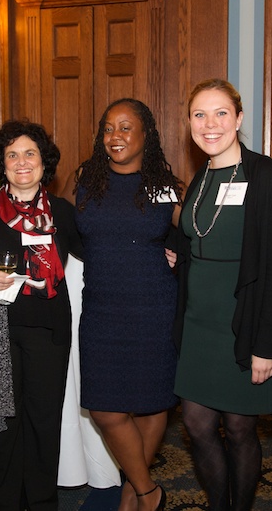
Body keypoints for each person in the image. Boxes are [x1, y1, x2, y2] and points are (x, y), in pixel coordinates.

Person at [173, 79, 272, 511]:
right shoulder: (200, 178)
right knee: (196, 423)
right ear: (189, 122)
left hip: (244, 321)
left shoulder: (268, 177)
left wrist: (267, 342)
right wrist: (179, 252)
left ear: (239, 119)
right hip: (198, 323)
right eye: (200, 115)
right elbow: (197, 235)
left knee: (241, 428)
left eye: (221, 113)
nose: (211, 124)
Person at [0, 119, 82, 511]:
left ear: (44, 163)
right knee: (2, 425)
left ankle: (41, 502)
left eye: (30, 154)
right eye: (12, 155)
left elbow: (101, 254)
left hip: (49, 332)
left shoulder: (62, 212)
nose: (22, 162)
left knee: (43, 423)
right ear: (1, 165)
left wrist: (163, 251)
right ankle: (5, 502)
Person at [62, 98, 183, 511]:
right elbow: (62, 230)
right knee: (103, 408)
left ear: (146, 135)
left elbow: (197, 235)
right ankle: (149, 489)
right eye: (109, 128)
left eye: (127, 128)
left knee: (152, 403)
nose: (115, 136)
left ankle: (133, 493)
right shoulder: (82, 179)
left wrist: (177, 254)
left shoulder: (163, 184)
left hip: (152, 305)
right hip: (101, 307)